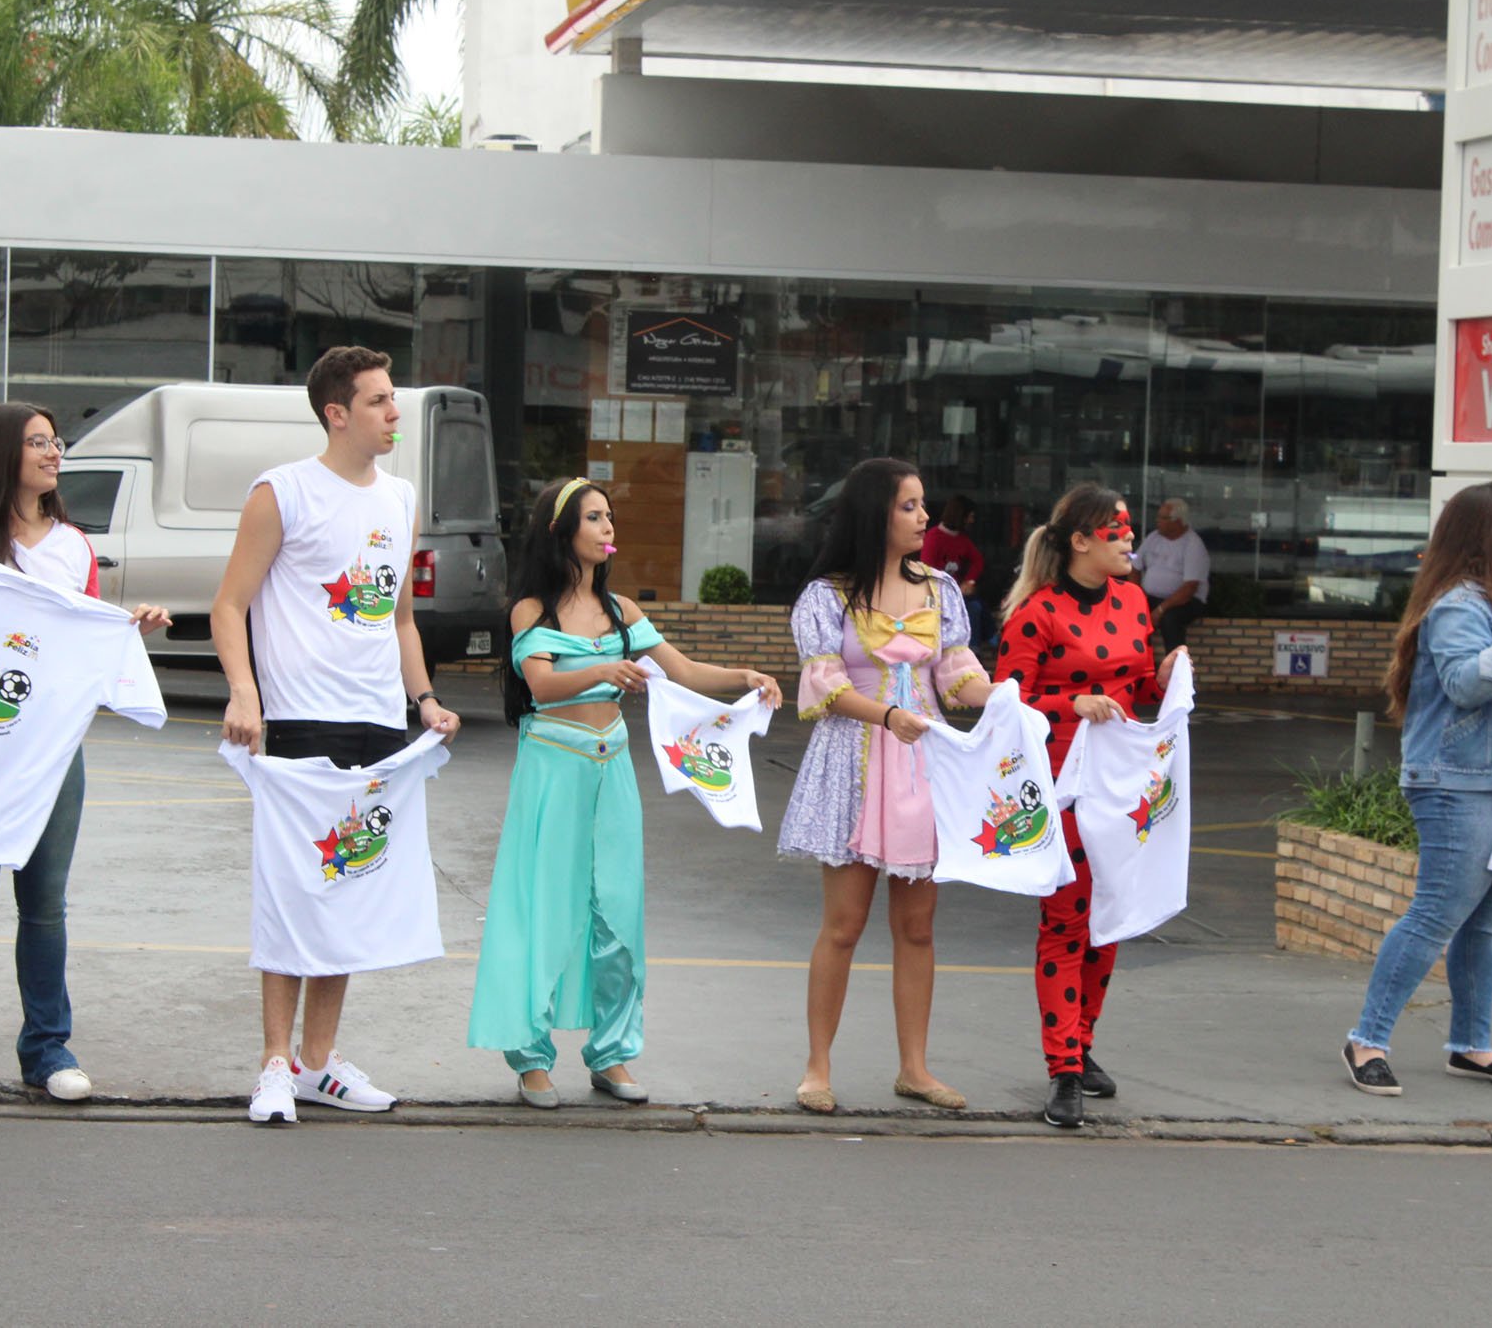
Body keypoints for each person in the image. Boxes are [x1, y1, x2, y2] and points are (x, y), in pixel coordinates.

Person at [0, 402, 171, 1115]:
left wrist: (126, 628)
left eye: (55, 441)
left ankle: (48, 1050)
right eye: (38, 442)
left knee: (45, 906)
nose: (54, 452)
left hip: (53, 754)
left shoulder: (74, 545)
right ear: (1, 456)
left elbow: (81, 639)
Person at [468, 477, 780, 1107]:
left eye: (610, 516)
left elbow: (683, 670)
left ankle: (612, 1054)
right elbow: (542, 687)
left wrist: (745, 676)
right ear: (561, 530)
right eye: (594, 517)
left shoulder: (622, 612)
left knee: (617, 912)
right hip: (553, 769)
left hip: (612, 769)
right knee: (544, 909)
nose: (608, 526)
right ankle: (531, 1059)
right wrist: (603, 669)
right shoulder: (531, 610)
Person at [212, 345, 460, 1125]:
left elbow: (400, 618)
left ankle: (318, 1063)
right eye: (380, 400)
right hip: (298, 718)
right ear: (337, 413)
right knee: (293, 891)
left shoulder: (400, 497)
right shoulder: (281, 492)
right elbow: (229, 605)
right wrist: (245, 693)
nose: (394, 412)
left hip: (378, 721)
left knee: (348, 884)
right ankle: (274, 1064)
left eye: (393, 398)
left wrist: (424, 699)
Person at [778, 457, 994, 1114]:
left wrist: (1009, 699)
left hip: (922, 764)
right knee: (843, 926)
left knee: (919, 927)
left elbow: (957, 675)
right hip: (854, 762)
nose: (925, 517)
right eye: (910, 505)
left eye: (922, 504)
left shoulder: (941, 590)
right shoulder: (827, 595)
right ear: (875, 513)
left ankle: (915, 1068)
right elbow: (823, 685)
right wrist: (888, 715)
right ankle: (817, 1068)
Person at [1342, 481, 1492, 1098]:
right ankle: (1367, 1040)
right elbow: (1466, 684)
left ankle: (1472, 1045)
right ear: (1488, 536)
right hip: (1455, 781)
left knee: (1486, 921)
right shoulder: (1459, 606)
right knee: (1437, 913)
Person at [992, 486, 1186, 1128]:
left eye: (1129, 529)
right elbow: (1005, 704)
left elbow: (1137, 682)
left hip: (1123, 785)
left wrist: (1165, 677)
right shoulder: (1036, 613)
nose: (1130, 539)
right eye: (1116, 530)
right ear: (1080, 541)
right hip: (1062, 786)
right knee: (1066, 923)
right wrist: (1069, 704)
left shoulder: (1133, 600)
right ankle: (1064, 1067)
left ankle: (1081, 1042)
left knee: (1109, 920)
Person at [1132, 497, 1209, 656]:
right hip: (1152, 597)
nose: (1157, 521)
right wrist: (1138, 596)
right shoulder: (1154, 537)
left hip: (1185, 601)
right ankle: (1141, 662)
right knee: (1133, 615)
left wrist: (1160, 610)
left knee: (1170, 619)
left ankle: (1175, 665)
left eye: (1163, 518)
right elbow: (1134, 566)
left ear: (1178, 521)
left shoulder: (1193, 544)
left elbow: (1189, 588)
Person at [920, 493, 986, 643]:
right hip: (935, 595)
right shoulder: (933, 537)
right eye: (970, 516)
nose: (972, 521)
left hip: (955, 594)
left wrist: (969, 581)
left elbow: (978, 561)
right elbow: (926, 570)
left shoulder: (962, 539)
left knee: (976, 607)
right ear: (961, 516)